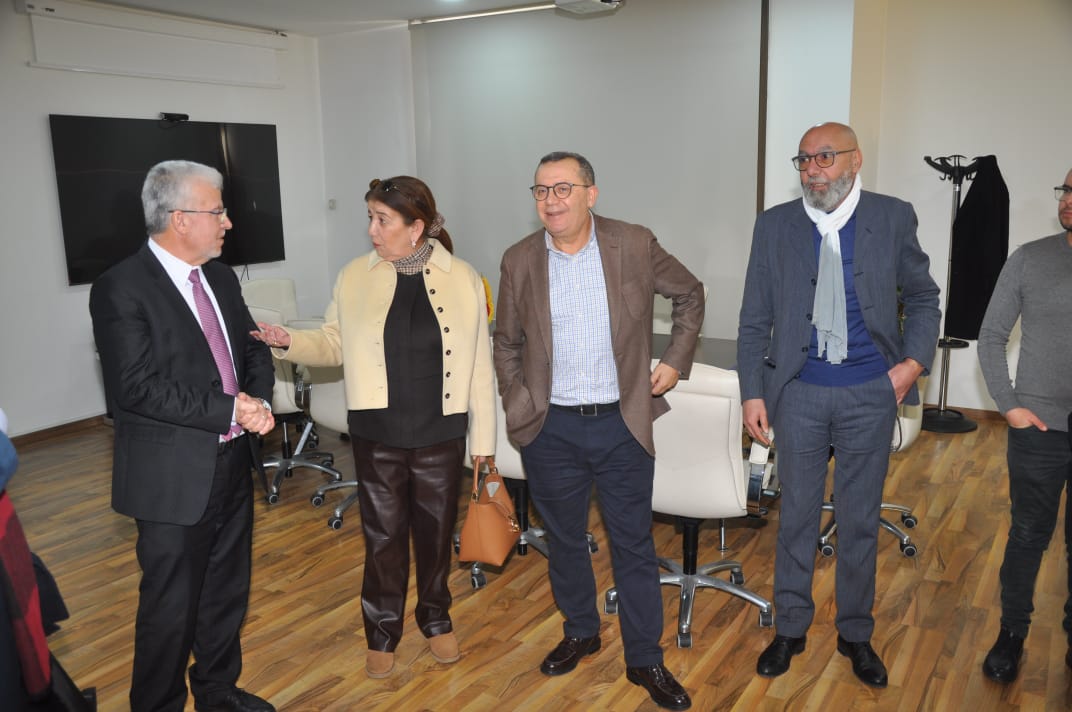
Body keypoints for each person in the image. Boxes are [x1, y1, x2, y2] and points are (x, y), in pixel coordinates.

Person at [252, 176, 495, 680]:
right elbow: (333, 343)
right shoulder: (353, 277)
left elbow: (479, 368)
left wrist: (484, 446)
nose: (372, 230)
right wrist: (288, 342)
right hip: (376, 430)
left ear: (416, 227)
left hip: (441, 430)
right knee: (382, 537)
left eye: (382, 220)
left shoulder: (464, 277)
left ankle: (436, 618)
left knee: (435, 535)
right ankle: (382, 631)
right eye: (370, 218)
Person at [494, 151, 704, 711]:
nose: (551, 200)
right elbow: (506, 341)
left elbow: (690, 293)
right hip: (550, 429)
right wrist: (519, 401)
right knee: (564, 540)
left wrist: (675, 361)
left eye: (563, 188)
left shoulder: (632, 243)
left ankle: (645, 659)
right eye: (541, 190)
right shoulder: (519, 259)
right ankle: (581, 631)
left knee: (632, 544)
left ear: (591, 194)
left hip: (621, 422)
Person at [737, 123, 940, 687]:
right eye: (804, 160)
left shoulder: (891, 217)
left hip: (870, 392)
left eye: (825, 157)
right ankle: (790, 628)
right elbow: (754, 316)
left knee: (858, 519)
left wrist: (911, 365)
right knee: (796, 517)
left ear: (855, 161)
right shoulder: (775, 225)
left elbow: (924, 297)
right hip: (798, 393)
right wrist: (752, 391)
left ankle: (855, 634)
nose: (813, 170)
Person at [89, 161, 277, 712]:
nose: (228, 222)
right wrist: (232, 408)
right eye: (218, 211)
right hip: (171, 477)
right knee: (169, 609)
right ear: (180, 218)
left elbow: (251, 349)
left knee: (226, 593)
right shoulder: (121, 287)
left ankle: (217, 691)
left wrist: (259, 402)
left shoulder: (221, 277)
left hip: (232, 461)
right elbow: (136, 388)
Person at [976, 168, 1072, 683]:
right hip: (1039, 427)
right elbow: (991, 334)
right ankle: (1011, 632)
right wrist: (1008, 405)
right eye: (1066, 189)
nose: (1068, 200)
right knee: (1029, 534)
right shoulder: (1030, 259)